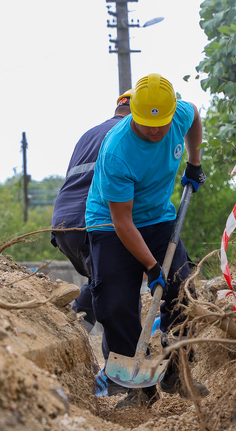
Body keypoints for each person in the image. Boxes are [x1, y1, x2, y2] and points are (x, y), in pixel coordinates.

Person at [85, 73, 209, 408]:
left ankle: (177, 371)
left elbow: (195, 114)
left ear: (170, 113)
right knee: (114, 303)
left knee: (183, 290)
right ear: (133, 114)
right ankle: (138, 392)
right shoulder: (117, 150)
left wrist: (194, 163)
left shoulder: (179, 114)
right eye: (145, 124)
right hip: (111, 226)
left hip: (158, 217)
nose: (155, 131)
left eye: (161, 124)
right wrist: (152, 266)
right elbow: (122, 222)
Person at [51, 90, 132, 371]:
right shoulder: (128, 134)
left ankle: (73, 338)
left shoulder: (89, 133)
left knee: (102, 282)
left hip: (63, 223)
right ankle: (115, 371)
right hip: (91, 221)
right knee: (112, 288)